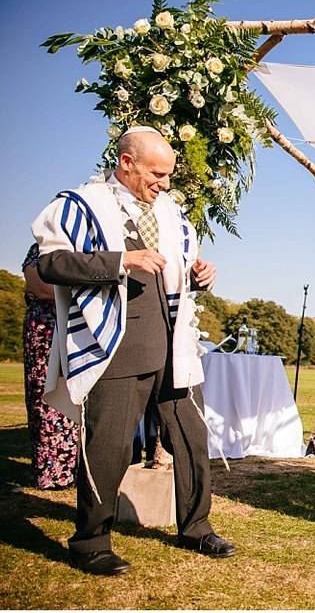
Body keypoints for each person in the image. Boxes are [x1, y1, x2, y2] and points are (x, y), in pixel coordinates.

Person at [31, 126, 235, 576]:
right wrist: (121, 260)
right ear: (126, 162)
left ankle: (196, 527)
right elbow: (49, 263)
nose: (164, 183)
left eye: (168, 175)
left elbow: (179, 269)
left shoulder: (172, 213)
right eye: (157, 173)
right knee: (109, 446)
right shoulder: (80, 204)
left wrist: (200, 273)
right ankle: (90, 541)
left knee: (191, 439)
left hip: (175, 344)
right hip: (117, 344)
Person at [22, 242, 80, 489]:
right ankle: (52, 471)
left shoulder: (81, 250)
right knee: (43, 397)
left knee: (78, 395)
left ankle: (79, 466)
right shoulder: (39, 250)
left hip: (76, 329)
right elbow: (40, 287)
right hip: (45, 329)